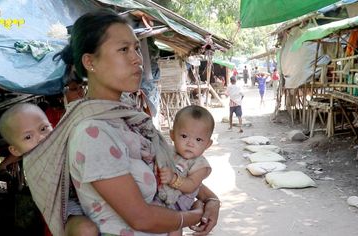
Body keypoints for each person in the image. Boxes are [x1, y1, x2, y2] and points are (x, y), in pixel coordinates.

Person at [23, 9, 220, 236]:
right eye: (123, 49)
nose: (137, 58)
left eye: (136, 48)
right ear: (90, 62)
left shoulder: (129, 117)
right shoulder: (93, 133)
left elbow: (168, 175)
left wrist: (211, 200)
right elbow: (141, 218)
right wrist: (194, 215)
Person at [0, 103, 99, 236]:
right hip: (66, 210)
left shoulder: (66, 143)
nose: (41, 138)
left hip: (90, 196)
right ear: (15, 150)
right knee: (85, 230)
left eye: (44, 128)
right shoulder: (34, 163)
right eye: (28, 137)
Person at [159, 105, 214, 236]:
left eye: (198, 139)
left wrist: (173, 179)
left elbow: (191, 185)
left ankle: (196, 206)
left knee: (174, 227)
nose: (190, 143)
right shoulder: (168, 151)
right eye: (184, 136)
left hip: (179, 206)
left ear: (207, 144)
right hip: (161, 198)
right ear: (172, 135)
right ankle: (198, 205)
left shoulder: (200, 165)